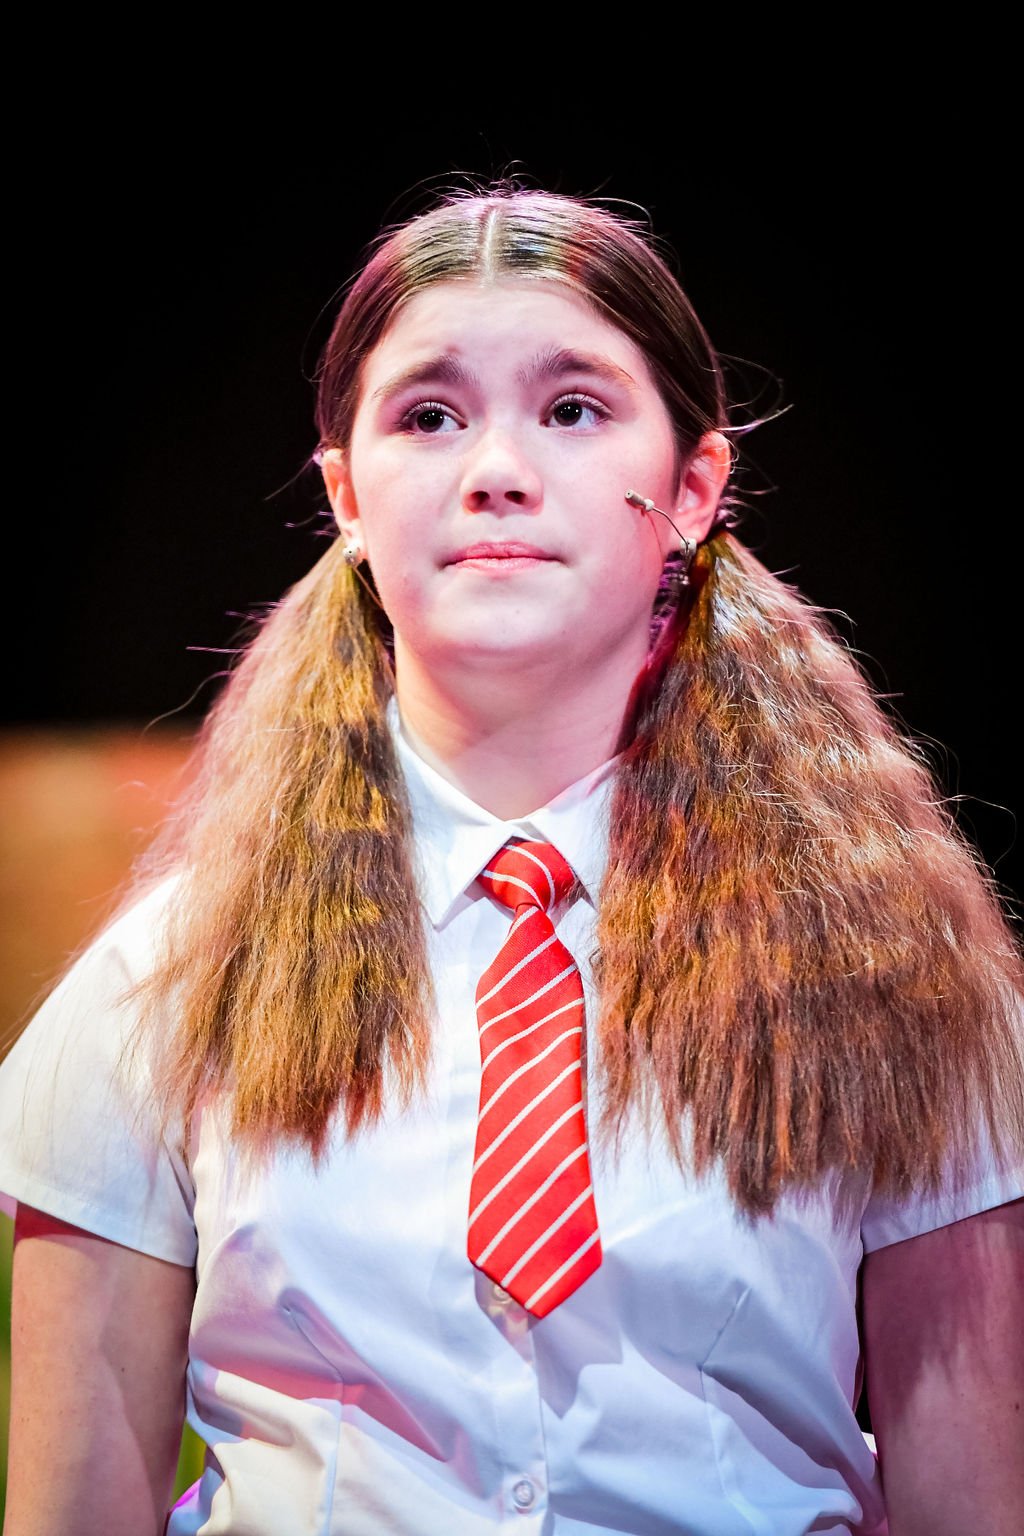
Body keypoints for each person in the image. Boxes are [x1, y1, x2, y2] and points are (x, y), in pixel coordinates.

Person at [1, 184, 1022, 1536]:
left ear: (695, 489)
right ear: (346, 495)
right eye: (429, 415)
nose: (496, 467)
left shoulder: (905, 989)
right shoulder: (166, 986)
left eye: (574, 408)